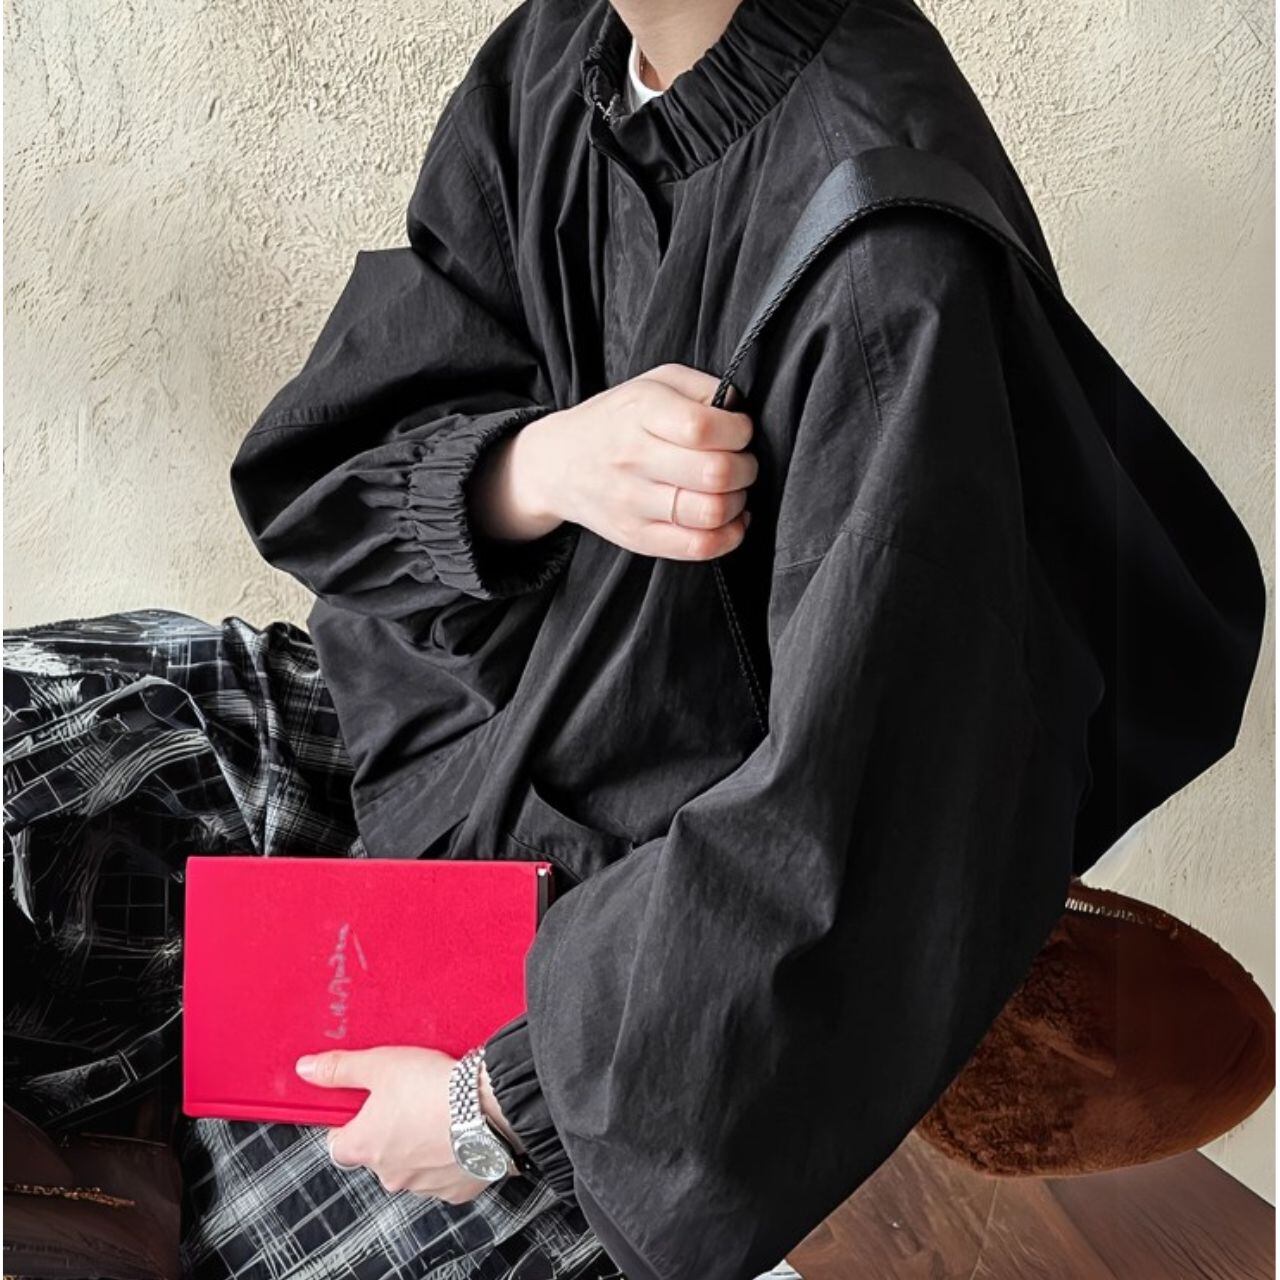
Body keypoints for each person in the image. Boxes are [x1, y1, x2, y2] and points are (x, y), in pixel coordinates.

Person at [3, 0, 1262, 1277]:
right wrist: (532, 468)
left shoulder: (889, 274)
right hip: (413, 740)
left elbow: (840, 817)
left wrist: (493, 1106)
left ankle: (904, 1004)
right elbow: (350, 443)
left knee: (242, 1229)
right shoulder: (565, 57)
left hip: (607, 953)